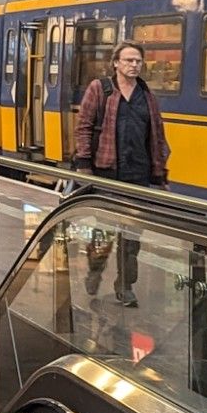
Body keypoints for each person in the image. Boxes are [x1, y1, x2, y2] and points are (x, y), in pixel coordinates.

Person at [71, 42, 170, 306]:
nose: (134, 65)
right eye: (128, 60)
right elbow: (84, 126)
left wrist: (159, 175)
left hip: (137, 174)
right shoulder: (100, 89)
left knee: (132, 235)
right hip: (106, 171)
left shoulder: (147, 95)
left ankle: (125, 286)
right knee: (104, 229)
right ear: (115, 63)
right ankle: (95, 269)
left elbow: (157, 135)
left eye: (138, 60)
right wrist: (84, 164)